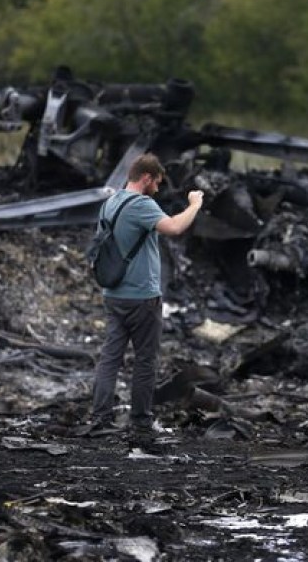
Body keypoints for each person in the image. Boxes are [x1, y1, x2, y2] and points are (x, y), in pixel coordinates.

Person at [87, 153, 203, 447]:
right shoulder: (142, 205)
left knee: (110, 358)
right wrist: (195, 204)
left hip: (113, 295)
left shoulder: (109, 203)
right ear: (147, 177)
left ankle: (100, 418)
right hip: (142, 298)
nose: (158, 189)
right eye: (158, 183)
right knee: (145, 361)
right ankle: (140, 421)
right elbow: (175, 227)